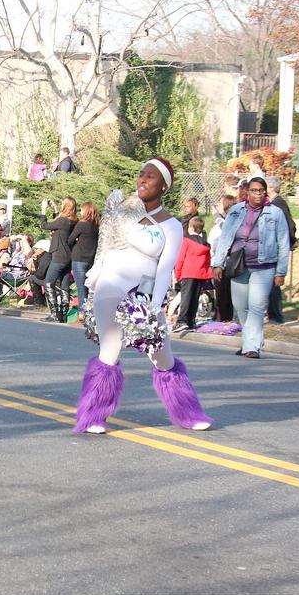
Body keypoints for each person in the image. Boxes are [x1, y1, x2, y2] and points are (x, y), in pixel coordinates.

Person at [76, 157, 211, 434]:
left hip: (143, 295)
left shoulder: (171, 224)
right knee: (109, 350)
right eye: (141, 175)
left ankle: (188, 412)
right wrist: (95, 279)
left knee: (162, 356)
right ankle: (93, 416)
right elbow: (105, 248)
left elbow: (164, 269)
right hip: (110, 285)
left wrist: (155, 304)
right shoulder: (122, 211)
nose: (143, 180)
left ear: (164, 186)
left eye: (151, 176)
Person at [211, 175, 291, 359]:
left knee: (256, 306)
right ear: (247, 192)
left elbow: (283, 243)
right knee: (240, 307)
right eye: (254, 190)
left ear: (265, 192)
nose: (258, 194)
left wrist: (281, 271)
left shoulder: (275, 213)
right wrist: (218, 262)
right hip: (239, 265)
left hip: (264, 266)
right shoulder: (236, 210)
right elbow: (225, 238)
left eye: (261, 191)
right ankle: (249, 341)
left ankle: (252, 346)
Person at [38, 197, 77, 322]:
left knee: (49, 283)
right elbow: (58, 223)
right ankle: (63, 315)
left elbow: (44, 225)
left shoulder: (63, 221)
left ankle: (54, 314)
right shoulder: (72, 221)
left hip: (59, 256)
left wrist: (43, 211)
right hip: (68, 256)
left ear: (65, 206)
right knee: (64, 286)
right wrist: (54, 208)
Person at [266, 175, 297, 325]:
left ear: (271, 188)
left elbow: (289, 225)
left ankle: (276, 316)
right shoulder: (274, 203)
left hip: (277, 248)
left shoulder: (279, 204)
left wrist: (291, 240)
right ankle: (271, 314)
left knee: (274, 284)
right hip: (272, 247)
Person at [173, 216, 212, 332]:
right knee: (195, 297)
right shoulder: (206, 244)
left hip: (187, 272)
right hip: (200, 273)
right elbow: (207, 260)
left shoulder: (186, 241)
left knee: (185, 297)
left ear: (190, 227)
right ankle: (191, 321)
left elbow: (181, 258)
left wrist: (177, 274)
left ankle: (181, 321)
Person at [68, 201, 99, 312]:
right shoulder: (96, 226)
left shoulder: (82, 224)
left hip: (78, 258)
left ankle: (82, 311)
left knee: (81, 287)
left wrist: (76, 241)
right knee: (89, 287)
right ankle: (90, 310)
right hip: (91, 259)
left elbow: (70, 239)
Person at [208, 194, 235, 322]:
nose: (218, 206)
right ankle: (224, 316)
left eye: (220, 203)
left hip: (222, 263)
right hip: (222, 262)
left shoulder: (225, 223)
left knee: (222, 293)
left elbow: (217, 243)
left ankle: (223, 318)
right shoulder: (223, 221)